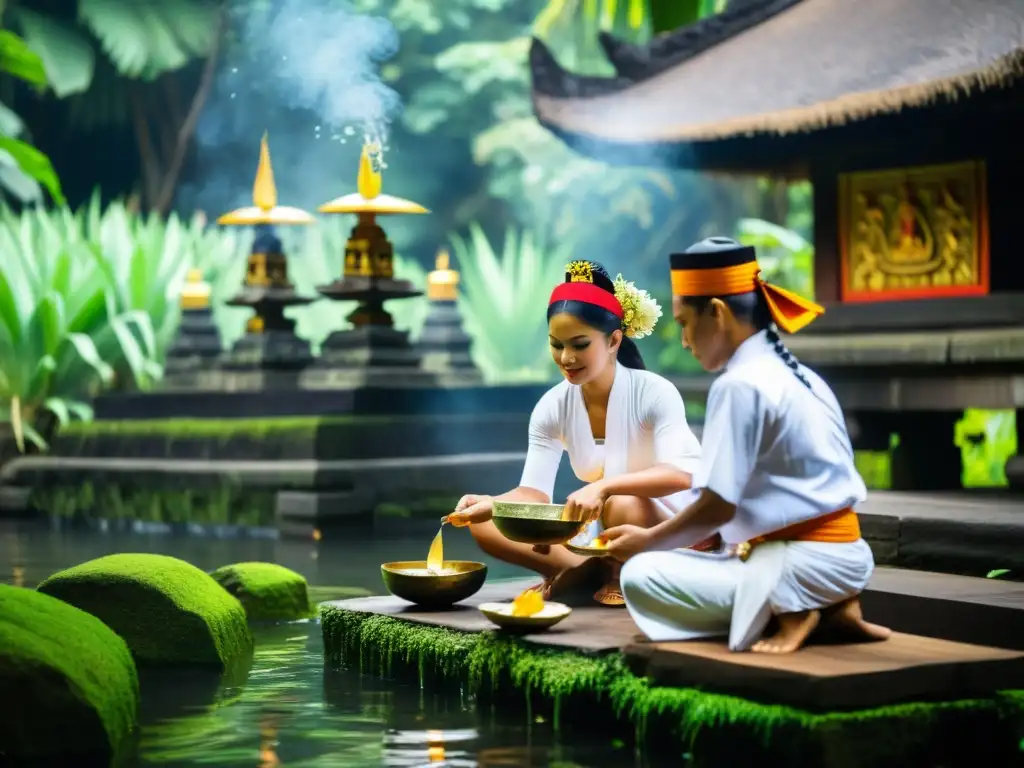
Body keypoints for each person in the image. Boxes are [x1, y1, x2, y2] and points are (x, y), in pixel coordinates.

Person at [604, 237, 892, 653]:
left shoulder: (739, 385)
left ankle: (789, 608)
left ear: (717, 313)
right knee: (705, 560)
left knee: (642, 576)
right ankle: (834, 607)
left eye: (685, 322)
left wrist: (647, 542)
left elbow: (719, 506)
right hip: (850, 559)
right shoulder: (803, 375)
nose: (684, 340)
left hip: (798, 564)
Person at [447, 259, 714, 607]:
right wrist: (491, 505)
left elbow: (682, 475)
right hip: (597, 530)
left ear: (614, 340)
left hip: (664, 527)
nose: (567, 358)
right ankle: (588, 570)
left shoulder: (654, 392)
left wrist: (603, 487)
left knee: (621, 501)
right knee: (486, 523)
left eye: (579, 344)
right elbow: (534, 494)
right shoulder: (552, 405)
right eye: (556, 345)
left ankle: (612, 574)